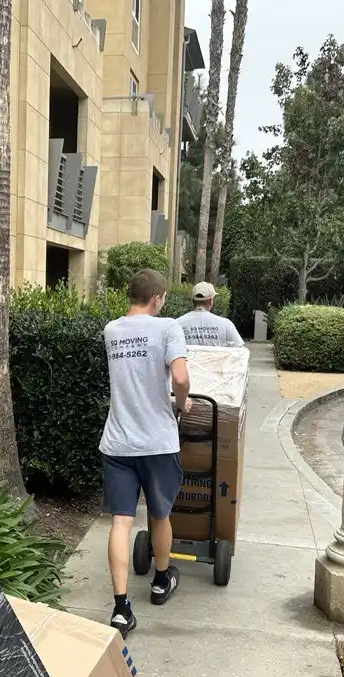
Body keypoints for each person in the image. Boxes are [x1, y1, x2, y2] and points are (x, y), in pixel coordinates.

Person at [100, 268, 191, 638]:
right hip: (157, 441)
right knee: (159, 514)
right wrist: (181, 405)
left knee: (121, 521)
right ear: (157, 298)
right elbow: (181, 378)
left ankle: (121, 609)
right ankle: (160, 581)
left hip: (118, 441)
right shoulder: (168, 328)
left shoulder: (111, 330)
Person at [177, 281, 245, 347]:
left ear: (192, 301)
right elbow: (239, 349)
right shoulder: (225, 324)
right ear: (211, 301)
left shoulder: (177, 324)